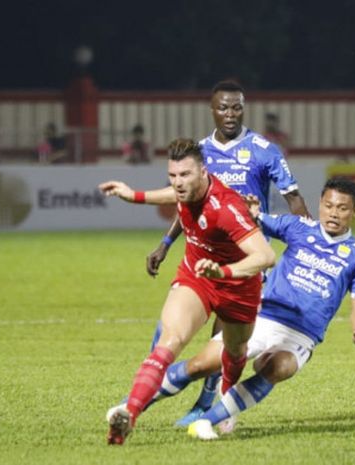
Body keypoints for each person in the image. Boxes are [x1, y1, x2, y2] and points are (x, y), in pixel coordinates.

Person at [108, 177, 355, 440]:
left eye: (342, 208)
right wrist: (252, 212)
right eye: (329, 206)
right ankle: (129, 407)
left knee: (278, 367)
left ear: (354, 212)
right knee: (200, 365)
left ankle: (207, 421)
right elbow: (254, 221)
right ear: (320, 204)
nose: (334, 213)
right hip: (263, 316)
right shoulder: (299, 227)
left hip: (302, 334)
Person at [143, 80, 310, 426]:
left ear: (243, 108)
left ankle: (207, 405)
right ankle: (155, 385)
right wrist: (165, 243)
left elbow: (293, 199)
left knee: (222, 340)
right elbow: (184, 201)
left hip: (245, 260)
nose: (230, 114)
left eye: (236, 107)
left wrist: (308, 241)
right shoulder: (200, 152)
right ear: (212, 110)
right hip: (203, 255)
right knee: (172, 327)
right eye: (224, 107)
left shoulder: (265, 150)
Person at [98, 138, 276, 445]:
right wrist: (133, 195)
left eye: (185, 175)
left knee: (235, 353)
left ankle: (225, 404)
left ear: (204, 173)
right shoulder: (185, 190)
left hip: (238, 287)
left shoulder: (227, 208)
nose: (178, 183)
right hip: (197, 278)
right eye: (173, 175)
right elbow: (175, 197)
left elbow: (265, 256)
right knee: (170, 341)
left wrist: (223, 271)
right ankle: (130, 414)